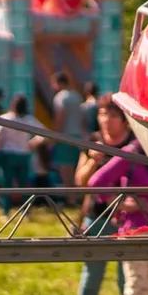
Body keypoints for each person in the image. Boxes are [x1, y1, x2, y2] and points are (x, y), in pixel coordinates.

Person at [87, 98, 148, 295]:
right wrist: (119, 201)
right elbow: (95, 182)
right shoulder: (132, 152)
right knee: (136, 292)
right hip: (134, 232)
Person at [73, 94, 129, 295]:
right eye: (102, 115)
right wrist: (93, 161)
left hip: (129, 221)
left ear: (124, 120)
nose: (106, 121)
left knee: (125, 281)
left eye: (112, 115)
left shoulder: (133, 145)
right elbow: (80, 181)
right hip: (96, 218)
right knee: (91, 276)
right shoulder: (93, 143)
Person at [0, 94, 44, 217]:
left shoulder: (5, 118)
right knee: (23, 184)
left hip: (7, 153)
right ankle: (26, 211)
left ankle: (6, 211)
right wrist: (32, 144)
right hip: (24, 154)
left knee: (7, 184)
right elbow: (44, 134)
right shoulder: (29, 119)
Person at [51, 72, 84, 204]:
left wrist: (55, 135)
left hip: (65, 136)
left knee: (65, 169)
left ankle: (70, 199)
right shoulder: (77, 96)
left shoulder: (61, 98)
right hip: (78, 136)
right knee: (76, 168)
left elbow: (60, 117)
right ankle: (77, 197)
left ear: (58, 83)